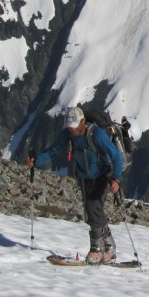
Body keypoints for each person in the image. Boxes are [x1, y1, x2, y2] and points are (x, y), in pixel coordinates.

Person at [28, 106, 124, 264]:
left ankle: (96, 250)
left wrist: (116, 179)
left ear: (83, 121)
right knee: (90, 212)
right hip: (84, 177)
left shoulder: (96, 134)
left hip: (103, 175)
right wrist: (36, 161)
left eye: (74, 126)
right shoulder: (68, 134)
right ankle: (109, 247)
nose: (71, 129)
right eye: (69, 126)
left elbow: (115, 156)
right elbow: (54, 150)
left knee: (93, 206)